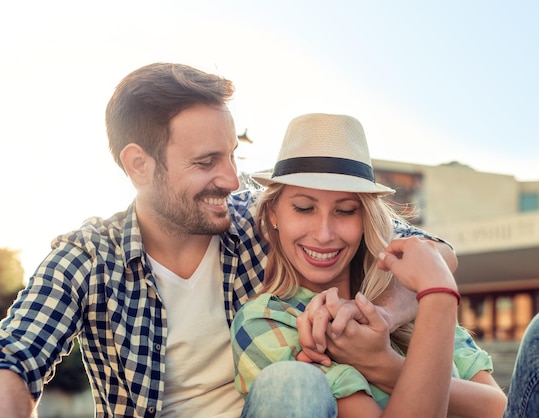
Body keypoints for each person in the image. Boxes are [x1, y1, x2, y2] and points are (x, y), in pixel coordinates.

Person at [0, 63, 456, 418]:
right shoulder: (90, 257)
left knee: (293, 384)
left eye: (233, 155)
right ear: (139, 165)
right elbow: (15, 360)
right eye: (206, 162)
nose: (232, 179)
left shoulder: (262, 218)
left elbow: (432, 254)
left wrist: (373, 313)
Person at [230, 113, 508, 417]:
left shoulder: (409, 299)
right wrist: (438, 298)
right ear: (273, 214)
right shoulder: (267, 321)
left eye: (346, 211)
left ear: (365, 219)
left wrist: (382, 363)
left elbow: (500, 408)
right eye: (304, 208)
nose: (324, 234)